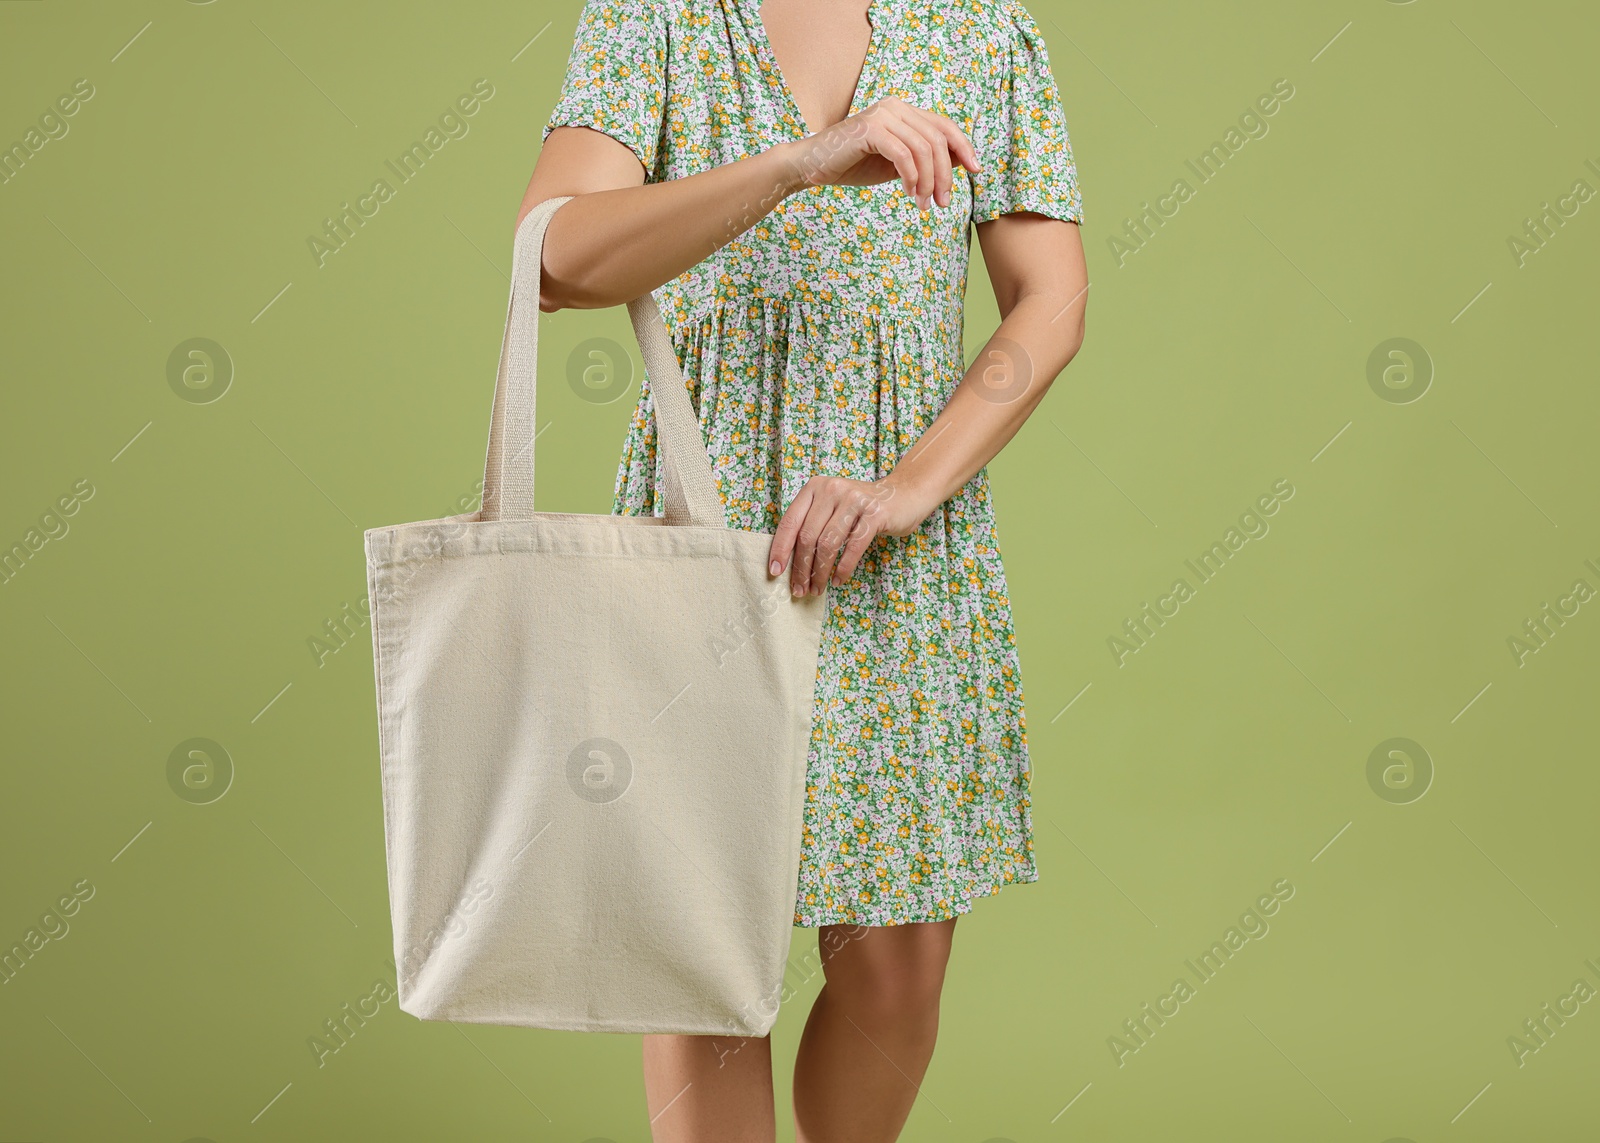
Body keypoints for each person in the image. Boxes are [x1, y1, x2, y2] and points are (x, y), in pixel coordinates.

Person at [518, 0, 1087, 1137]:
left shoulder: (980, 26)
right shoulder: (659, 19)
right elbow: (553, 256)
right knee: (703, 959)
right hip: (705, 527)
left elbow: (1052, 296)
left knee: (897, 972)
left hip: (902, 550)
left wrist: (907, 488)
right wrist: (798, 164)